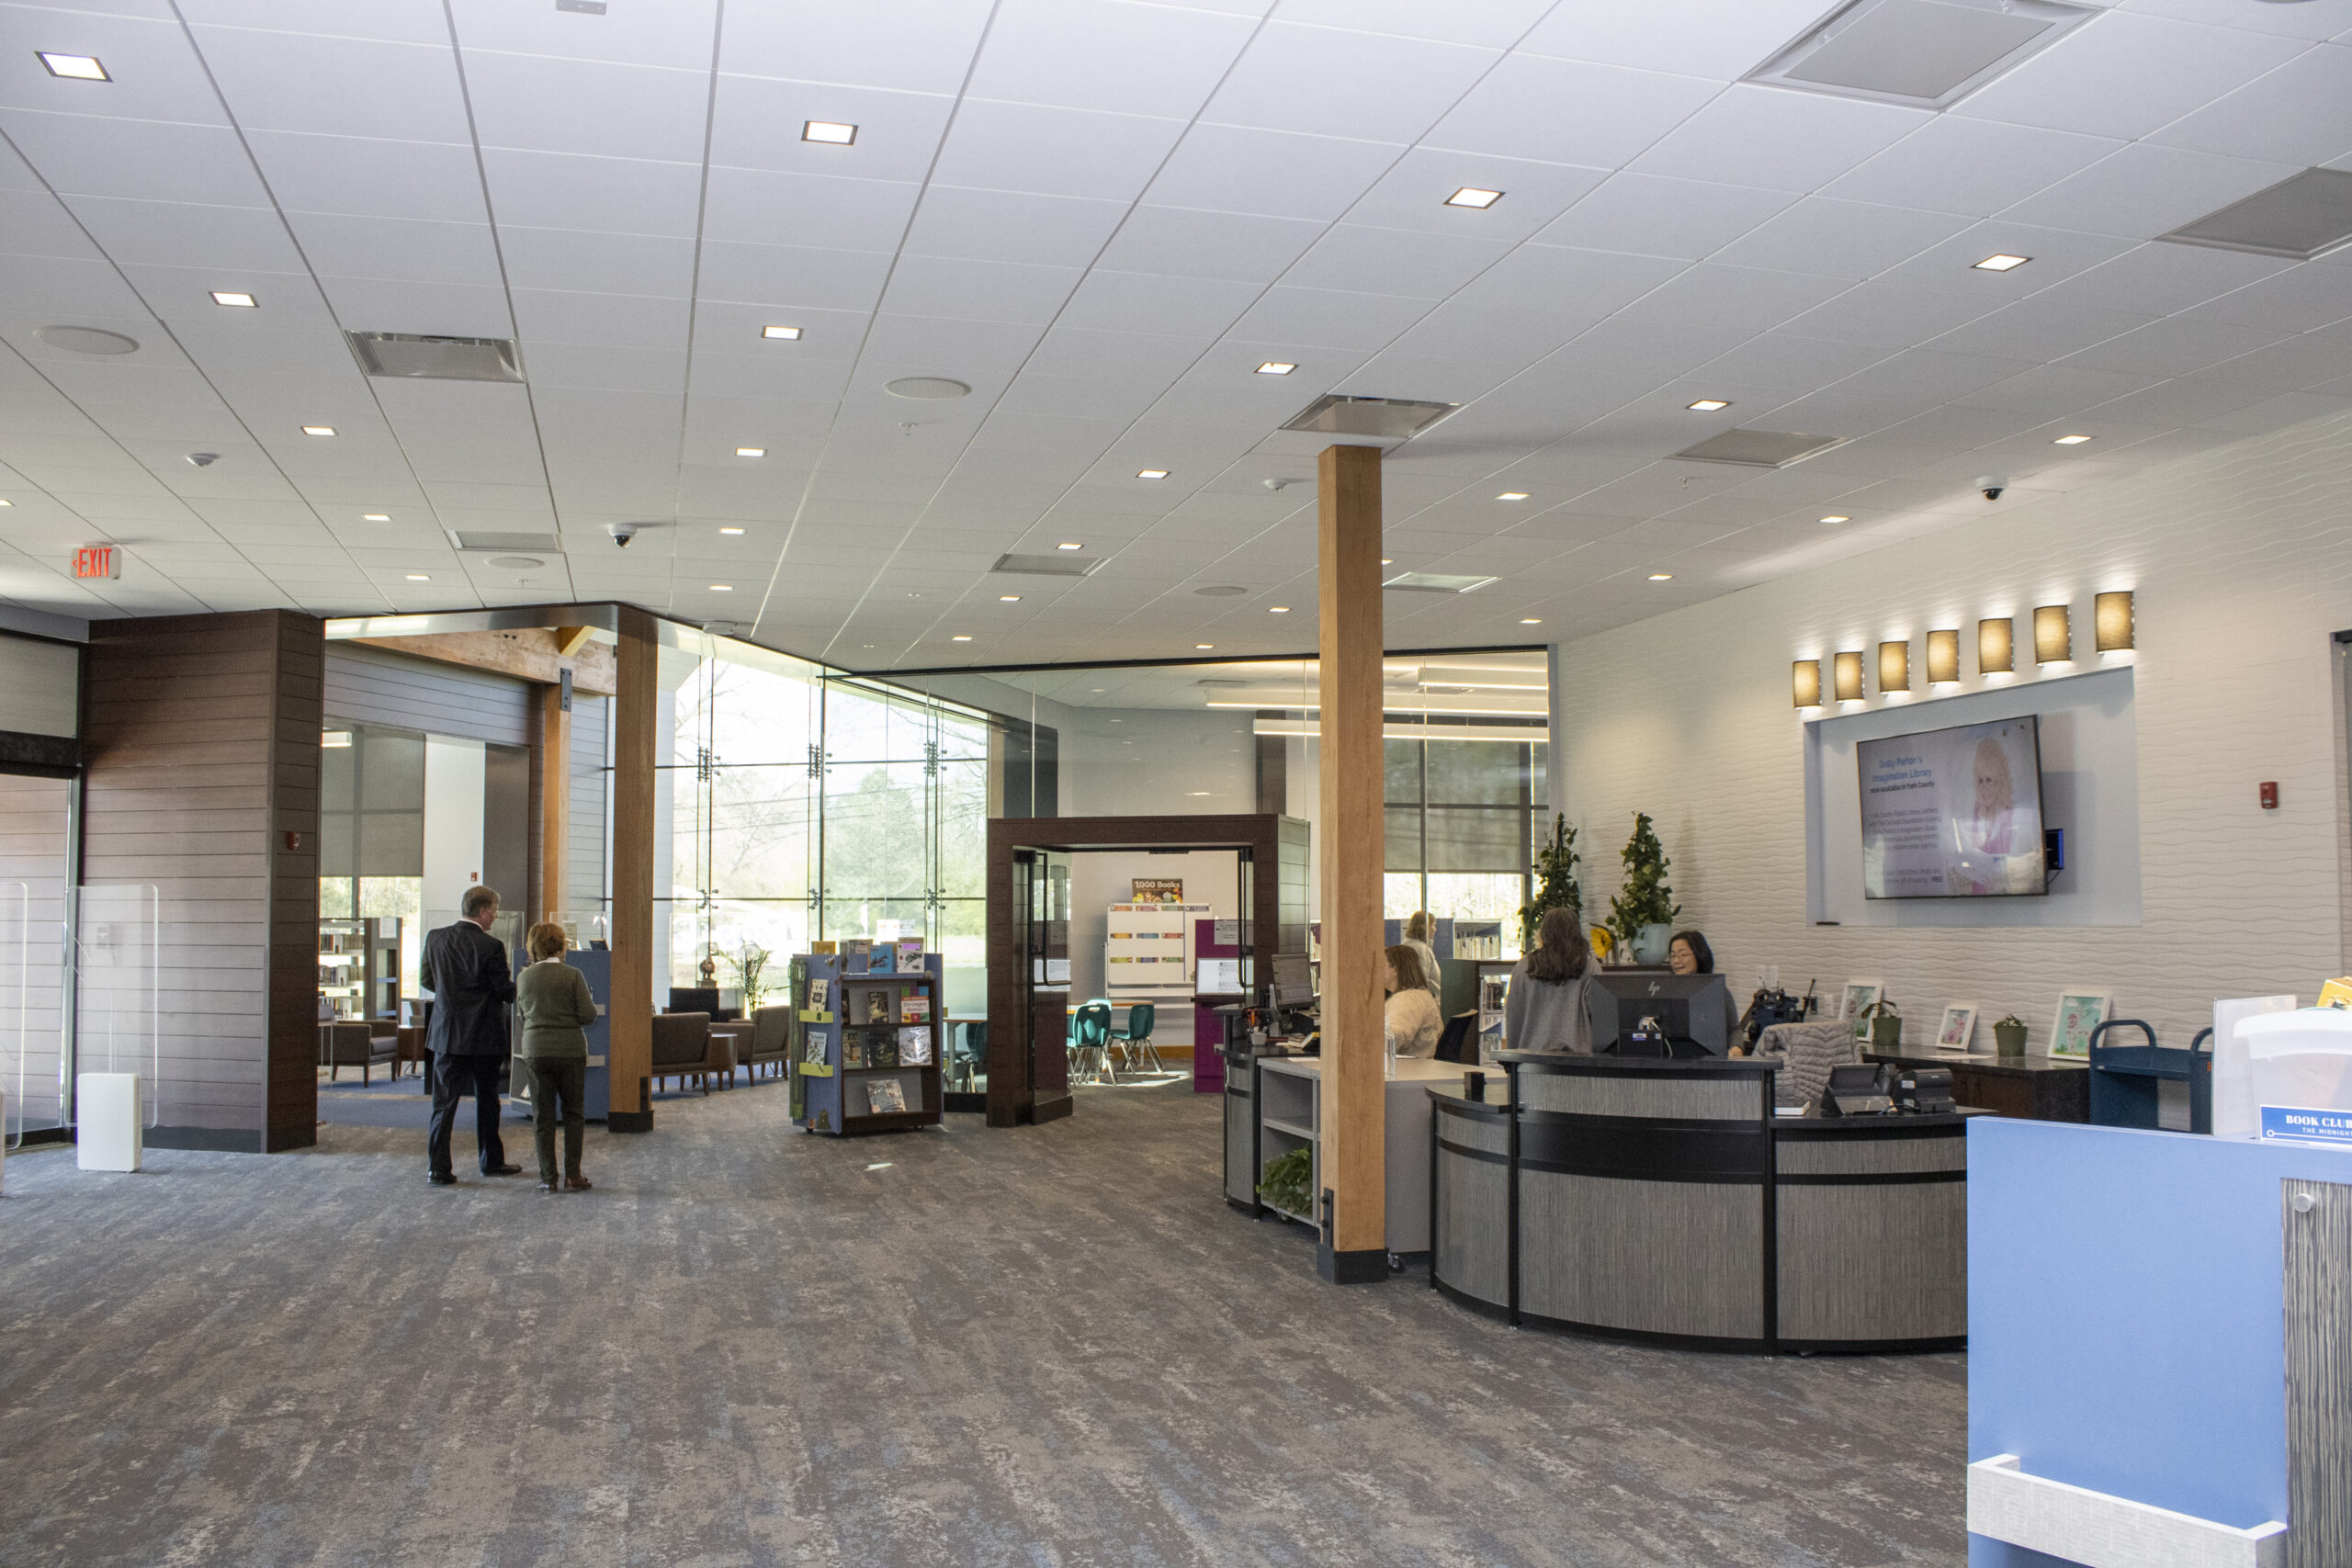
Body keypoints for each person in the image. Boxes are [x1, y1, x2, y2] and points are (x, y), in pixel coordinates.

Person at [423, 885, 520, 1185]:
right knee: (487, 1101)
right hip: (483, 1037)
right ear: (482, 911)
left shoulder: (436, 938)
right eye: (493, 911)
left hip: (447, 1035)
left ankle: (438, 1169)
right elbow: (505, 993)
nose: (495, 917)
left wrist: (452, 998)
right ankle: (491, 1161)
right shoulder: (491, 947)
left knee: (443, 1104)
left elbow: (428, 979)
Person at [516, 920, 598, 1193]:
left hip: (536, 1051)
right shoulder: (573, 975)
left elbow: (521, 1016)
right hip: (570, 1050)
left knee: (542, 1115)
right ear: (561, 945)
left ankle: (547, 1178)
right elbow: (588, 1015)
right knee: (573, 1113)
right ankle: (573, 1175)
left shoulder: (524, 978)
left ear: (533, 946)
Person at [1502, 906, 1600, 1055]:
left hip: (1532, 1058)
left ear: (1544, 932)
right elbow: (1599, 1011)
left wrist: (1513, 1057)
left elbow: (1514, 1016)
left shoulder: (1524, 967)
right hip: (1578, 1058)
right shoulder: (1589, 966)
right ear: (1576, 932)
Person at [1668, 930, 1747, 1055]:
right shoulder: (1666, 989)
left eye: (1682, 955)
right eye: (1673, 956)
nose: (1676, 961)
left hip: (1710, 1060)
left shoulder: (1717, 990)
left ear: (1699, 955)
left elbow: (1734, 1028)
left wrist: (1736, 1048)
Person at [1383, 945, 1442, 1059]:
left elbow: (1395, 1036)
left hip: (1409, 1069)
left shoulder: (1407, 999)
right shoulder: (1419, 994)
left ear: (1395, 969)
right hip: (1418, 1068)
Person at [1400, 912, 1442, 1002]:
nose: (1435, 929)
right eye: (1433, 925)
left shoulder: (1407, 946)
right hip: (1429, 1002)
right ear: (1425, 927)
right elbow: (1422, 982)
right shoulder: (1421, 949)